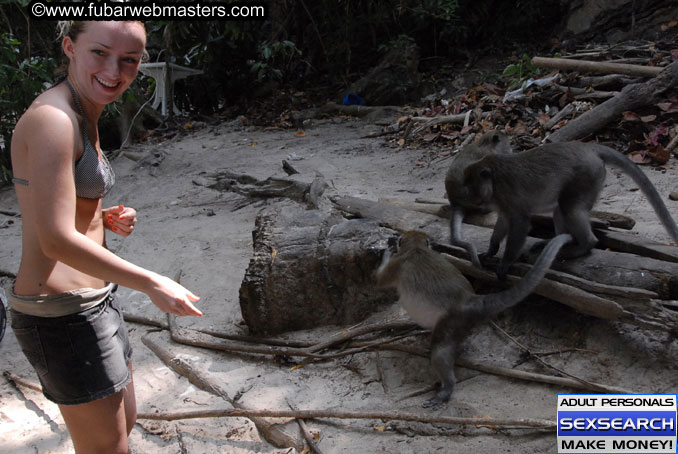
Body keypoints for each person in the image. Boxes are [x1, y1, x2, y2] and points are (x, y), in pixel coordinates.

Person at [9, 21, 202, 454]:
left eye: (129, 60)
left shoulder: (84, 110)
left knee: (124, 421)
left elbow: (54, 202)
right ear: (69, 47)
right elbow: (55, 240)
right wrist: (153, 282)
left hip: (97, 302)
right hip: (60, 315)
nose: (115, 71)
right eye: (100, 53)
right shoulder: (53, 120)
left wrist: (99, 215)